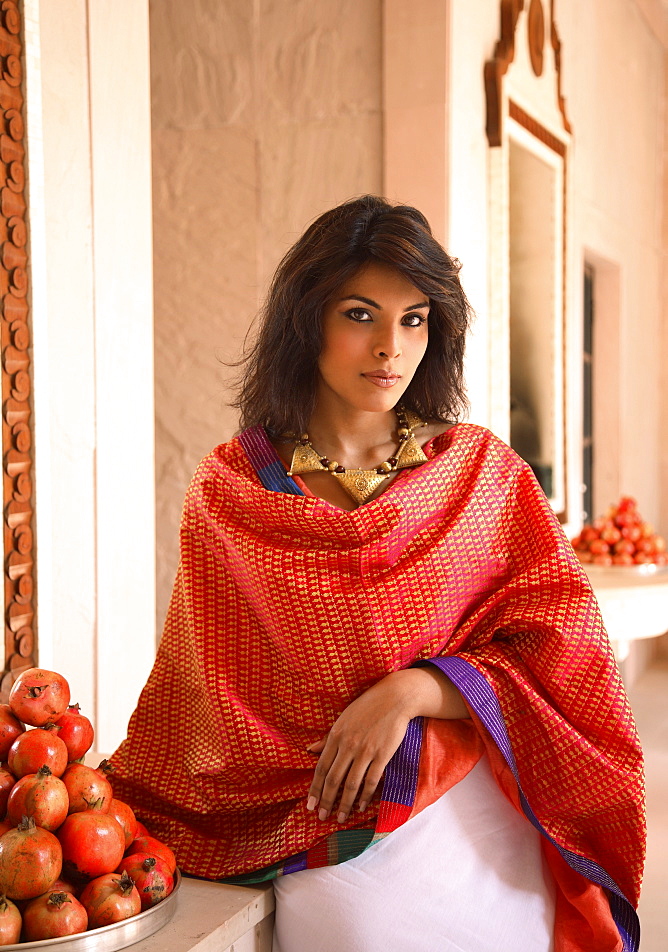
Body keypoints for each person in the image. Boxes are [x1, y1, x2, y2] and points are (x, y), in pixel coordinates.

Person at [110, 196, 645, 952]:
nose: (391, 347)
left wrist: (415, 690)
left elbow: (566, 650)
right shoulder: (233, 491)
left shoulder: (478, 474)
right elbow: (204, 684)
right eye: (360, 314)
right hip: (312, 817)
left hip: (471, 805)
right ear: (308, 320)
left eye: (415, 319)